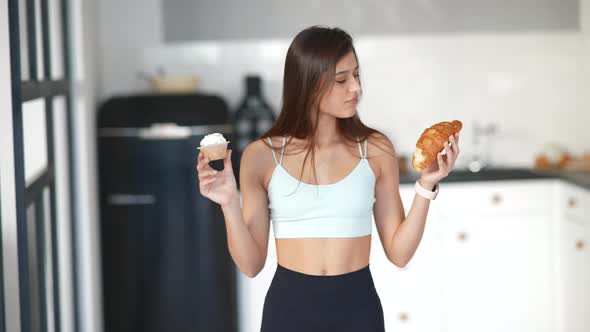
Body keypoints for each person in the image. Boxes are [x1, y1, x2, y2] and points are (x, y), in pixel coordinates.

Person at [196, 25, 460, 332]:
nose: (356, 88)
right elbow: (251, 265)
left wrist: (426, 185)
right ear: (308, 84)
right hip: (288, 312)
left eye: (357, 75)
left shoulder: (374, 149)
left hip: (358, 312)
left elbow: (400, 254)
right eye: (342, 80)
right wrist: (229, 202)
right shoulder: (262, 155)